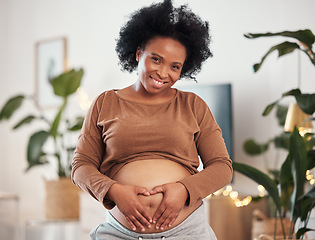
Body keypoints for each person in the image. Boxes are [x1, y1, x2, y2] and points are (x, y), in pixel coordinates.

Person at [71, 0, 233, 239]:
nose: (163, 73)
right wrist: (114, 191)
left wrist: (184, 189)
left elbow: (222, 167)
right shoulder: (105, 103)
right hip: (119, 234)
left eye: (175, 66)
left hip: (187, 232)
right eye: (156, 59)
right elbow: (81, 166)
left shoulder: (193, 105)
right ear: (138, 53)